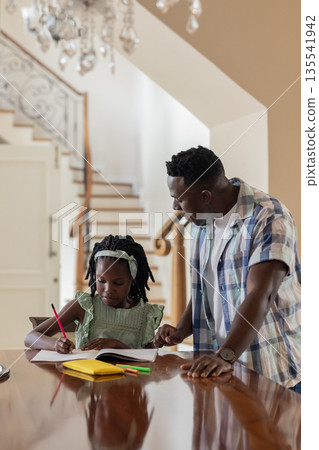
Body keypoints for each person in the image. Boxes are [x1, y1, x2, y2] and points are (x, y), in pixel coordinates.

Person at [154, 146, 301, 392]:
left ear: (205, 196)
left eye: (179, 199)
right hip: (221, 367)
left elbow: (261, 294)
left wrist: (225, 355)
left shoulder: (269, 217)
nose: (175, 206)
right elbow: (206, 287)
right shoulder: (203, 219)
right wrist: (181, 329)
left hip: (272, 371)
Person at [25, 235, 164, 353]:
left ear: (133, 280)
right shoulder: (84, 306)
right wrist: (55, 344)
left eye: (118, 283)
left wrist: (118, 345)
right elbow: (30, 337)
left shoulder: (145, 314)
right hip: (86, 381)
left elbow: (147, 357)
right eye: (101, 281)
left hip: (129, 382)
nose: (108, 289)